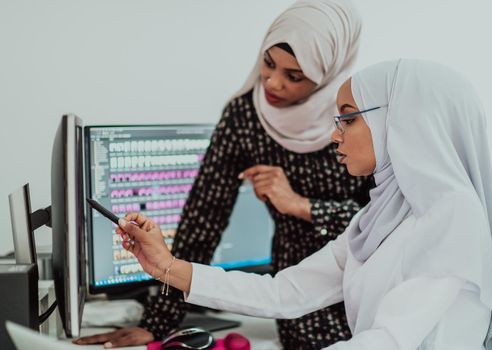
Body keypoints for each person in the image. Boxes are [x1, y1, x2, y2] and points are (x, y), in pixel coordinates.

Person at [100, 59, 492, 349]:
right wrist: (166, 266)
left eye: (348, 118)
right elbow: (286, 293)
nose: (335, 135)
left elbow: (387, 341)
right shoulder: (381, 213)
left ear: (403, 121)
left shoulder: (453, 216)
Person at [75, 0, 370, 348]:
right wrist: (158, 322)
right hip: (292, 297)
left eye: (294, 76)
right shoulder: (246, 115)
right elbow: (204, 218)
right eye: (268, 63)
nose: (272, 83)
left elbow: (385, 219)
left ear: (327, 76)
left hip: (365, 285)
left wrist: (302, 206)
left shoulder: (356, 116)